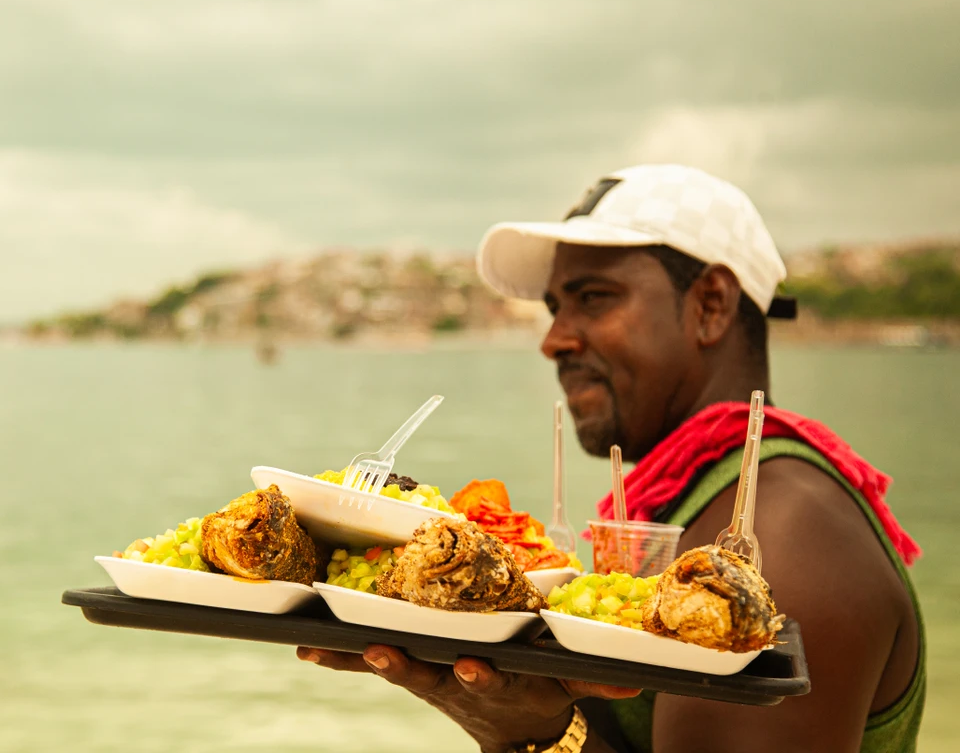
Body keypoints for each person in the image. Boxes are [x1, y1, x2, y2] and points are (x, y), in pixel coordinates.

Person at [297, 164, 925, 752]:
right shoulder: (693, 500)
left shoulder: (783, 531)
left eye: (593, 297)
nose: (553, 338)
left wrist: (529, 731)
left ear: (709, 304)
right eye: (554, 307)